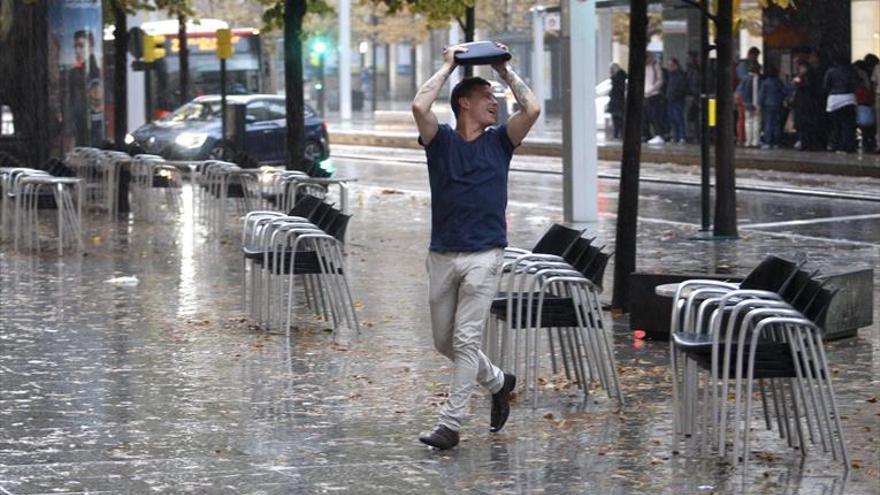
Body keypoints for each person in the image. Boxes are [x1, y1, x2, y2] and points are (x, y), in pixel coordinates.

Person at [411, 42, 540, 450]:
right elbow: (419, 106)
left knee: (465, 340)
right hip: (442, 253)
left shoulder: (501, 141)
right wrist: (448, 65)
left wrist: (504, 72)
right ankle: (500, 382)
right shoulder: (441, 141)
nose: (495, 104)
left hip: (485, 253)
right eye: (487, 97)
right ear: (463, 103)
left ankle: (451, 424)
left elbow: (531, 109)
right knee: (443, 342)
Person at [823, 55, 858, 153]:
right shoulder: (851, 71)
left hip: (834, 99)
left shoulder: (830, 71)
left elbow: (825, 86)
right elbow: (856, 83)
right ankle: (848, 145)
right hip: (849, 98)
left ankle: (836, 145)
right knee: (847, 124)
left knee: (836, 125)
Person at [735, 47, 761, 145]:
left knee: (746, 118)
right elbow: (744, 78)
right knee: (745, 118)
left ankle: (745, 139)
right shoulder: (744, 67)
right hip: (744, 94)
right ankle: (742, 138)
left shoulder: (744, 66)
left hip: (743, 93)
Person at [854, 55, 878, 152]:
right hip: (868, 101)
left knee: (864, 125)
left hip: (862, 101)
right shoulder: (867, 73)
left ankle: (867, 143)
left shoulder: (860, 74)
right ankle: (870, 143)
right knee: (870, 125)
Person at [758, 65, 786, 149]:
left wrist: (759, 103)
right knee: (777, 123)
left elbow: (762, 94)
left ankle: (767, 141)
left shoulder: (765, 82)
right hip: (778, 104)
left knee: (768, 123)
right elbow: (784, 92)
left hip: (767, 104)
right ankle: (776, 142)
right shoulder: (779, 82)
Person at [644, 52, 666, 144]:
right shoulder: (645, 67)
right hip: (645, 95)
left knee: (655, 116)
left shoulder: (655, 66)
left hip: (654, 95)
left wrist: (652, 89)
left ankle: (659, 135)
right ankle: (647, 135)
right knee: (646, 116)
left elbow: (660, 80)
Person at [665, 57, 688, 143]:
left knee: (678, 118)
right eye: (668, 65)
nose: (669, 67)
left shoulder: (680, 75)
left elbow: (682, 88)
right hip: (670, 99)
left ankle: (682, 136)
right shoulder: (670, 75)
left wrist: (676, 95)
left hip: (677, 99)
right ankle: (675, 136)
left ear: (676, 65)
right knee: (672, 119)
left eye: (671, 65)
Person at [685, 51, 701, 142]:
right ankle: (694, 135)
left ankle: (695, 135)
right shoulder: (691, 69)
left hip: (694, 95)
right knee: (691, 117)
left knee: (695, 116)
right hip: (693, 94)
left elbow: (694, 82)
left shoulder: (694, 70)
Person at [608, 63, 627, 140]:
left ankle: (618, 134)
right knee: (617, 118)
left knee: (618, 118)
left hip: (617, 101)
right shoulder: (621, 76)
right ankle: (617, 134)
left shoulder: (618, 77)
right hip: (617, 100)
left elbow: (618, 88)